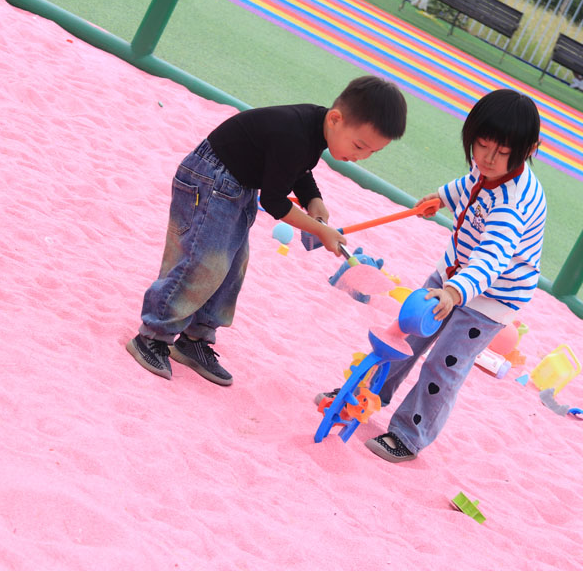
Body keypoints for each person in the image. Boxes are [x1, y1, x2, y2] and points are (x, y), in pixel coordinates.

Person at [127, 75, 408, 386]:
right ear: (336, 119)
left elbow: (299, 170)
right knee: (203, 262)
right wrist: (319, 230)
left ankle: (194, 338)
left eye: (371, 152)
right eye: (359, 146)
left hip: (236, 188)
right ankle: (152, 335)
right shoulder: (295, 133)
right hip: (211, 179)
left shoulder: (315, 129)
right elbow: (274, 201)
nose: (361, 157)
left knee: (232, 268)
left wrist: (313, 199)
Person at [318, 89, 544, 462]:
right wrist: (442, 197)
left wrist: (455, 293)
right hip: (453, 273)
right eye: (481, 145)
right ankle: (365, 396)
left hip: (489, 297)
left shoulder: (512, 204)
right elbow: (470, 183)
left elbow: (492, 258)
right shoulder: (487, 168)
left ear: (528, 149)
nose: (487, 158)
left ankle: (409, 435)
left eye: (502, 152)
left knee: (444, 363)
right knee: (402, 334)